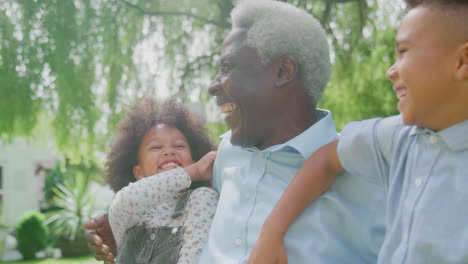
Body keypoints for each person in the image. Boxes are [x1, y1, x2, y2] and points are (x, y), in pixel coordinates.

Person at [85, 1, 387, 263]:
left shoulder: (370, 178)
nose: (212, 85)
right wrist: (123, 230)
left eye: (228, 68)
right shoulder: (223, 157)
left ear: (282, 72)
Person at [247, 0, 468, 263]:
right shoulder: (399, 136)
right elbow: (326, 160)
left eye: (404, 51)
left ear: (462, 61)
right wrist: (271, 234)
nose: (390, 71)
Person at [89, 96, 219, 264]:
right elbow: (126, 201)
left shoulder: (202, 199)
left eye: (179, 146)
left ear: (194, 160)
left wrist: (192, 173)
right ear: (138, 172)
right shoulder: (133, 207)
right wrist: (191, 172)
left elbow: (193, 257)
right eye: (156, 147)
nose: (169, 151)